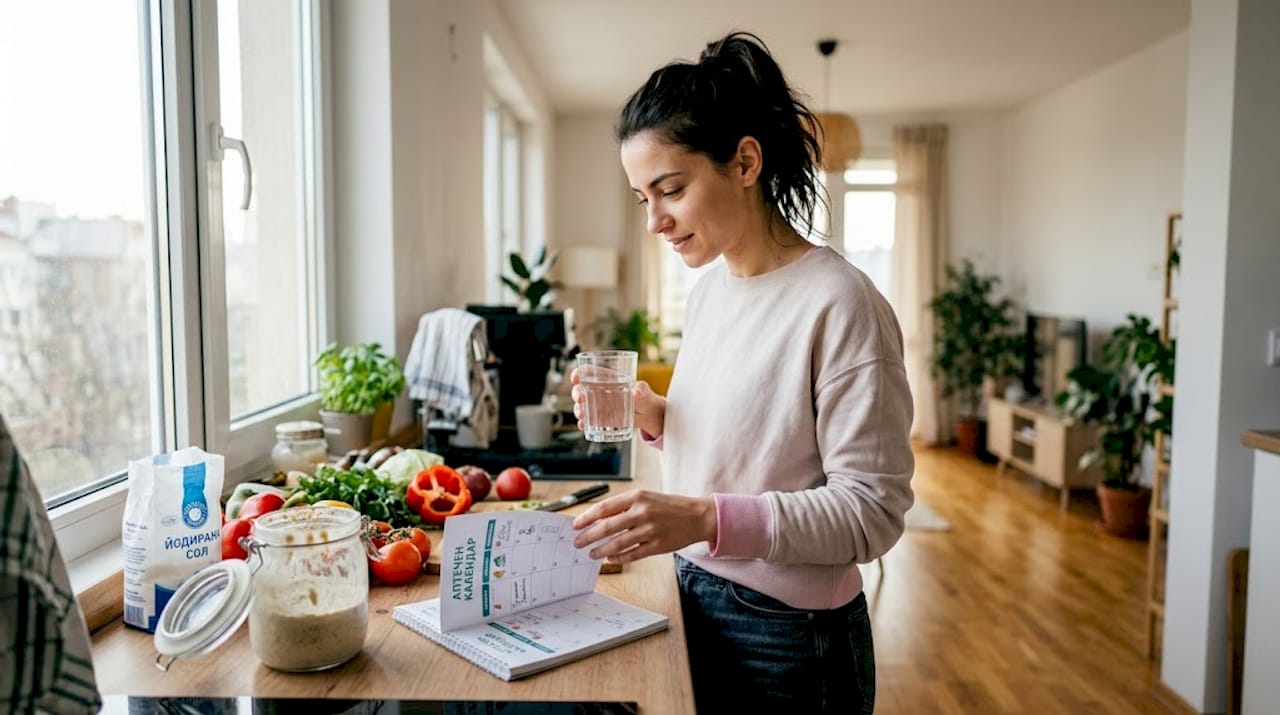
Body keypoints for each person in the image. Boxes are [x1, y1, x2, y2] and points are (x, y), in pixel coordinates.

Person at [569, 31, 915, 713]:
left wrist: (701, 516)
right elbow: (757, 447)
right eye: (643, 198)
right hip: (691, 591)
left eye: (669, 189)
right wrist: (659, 420)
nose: (655, 222)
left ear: (746, 161)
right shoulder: (711, 293)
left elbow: (871, 513)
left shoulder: (841, 302)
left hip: (789, 635)